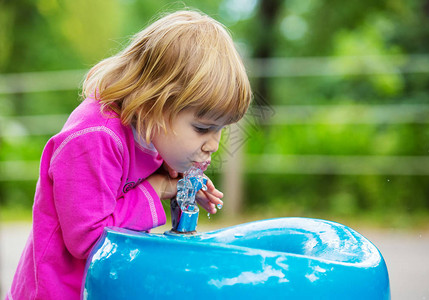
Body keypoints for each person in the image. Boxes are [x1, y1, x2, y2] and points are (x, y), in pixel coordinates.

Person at [7, 9, 251, 299]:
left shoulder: (150, 133)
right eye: (202, 128)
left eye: (220, 130)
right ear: (155, 104)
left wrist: (179, 181)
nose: (213, 144)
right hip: (59, 290)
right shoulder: (95, 139)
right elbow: (90, 239)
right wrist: (156, 188)